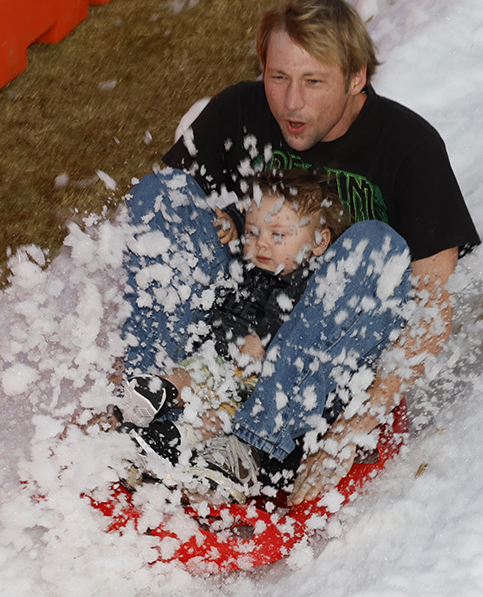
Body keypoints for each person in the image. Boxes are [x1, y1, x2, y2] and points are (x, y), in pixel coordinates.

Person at [118, 0, 480, 505]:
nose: (291, 102)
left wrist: (356, 425)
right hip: (233, 336)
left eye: (313, 82)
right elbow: (165, 236)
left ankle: (252, 446)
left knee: (377, 247)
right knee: (162, 194)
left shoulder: (410, 148)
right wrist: (215, 221)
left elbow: (429, 310)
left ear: (357, 78)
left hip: (319, 369)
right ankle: (148, 404)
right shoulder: (237, 113)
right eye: (278, 78)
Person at [117, 169, 349, 500]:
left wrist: (268, 338)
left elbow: (307, 326)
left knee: (222, 414)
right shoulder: (256, 266)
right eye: (255, 232)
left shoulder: (314, 284)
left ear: (319, 241)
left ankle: (176, 439)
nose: (262, 244)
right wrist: (234, 227)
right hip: (222, 357)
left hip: (261, 385)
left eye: (277, 235)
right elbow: (225, 295)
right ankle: (155, 394)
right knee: (193, 370)